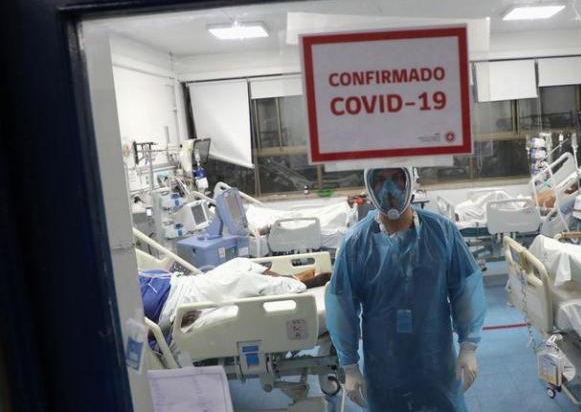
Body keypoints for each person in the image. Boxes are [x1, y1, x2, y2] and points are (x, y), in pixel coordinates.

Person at [325, 167, 487, 411]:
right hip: (384, 364)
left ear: (411, 182)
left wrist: (468, 346)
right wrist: (349, 366)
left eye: (398, 179)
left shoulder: (442, 232)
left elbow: (465, 290)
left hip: (435, 360)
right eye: (379, 180)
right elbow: (342, 306)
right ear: (369, 186)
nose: (388, 189)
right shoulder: (356, 242)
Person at [140, 257, 331, 333]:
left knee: (239, 263)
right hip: (179, 303)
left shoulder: (131, 276)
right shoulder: (120, 303)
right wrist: (173, 324)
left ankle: (291, 279)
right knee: (241, 280)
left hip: (186, 283)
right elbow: (136, 335)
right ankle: (300, 284)